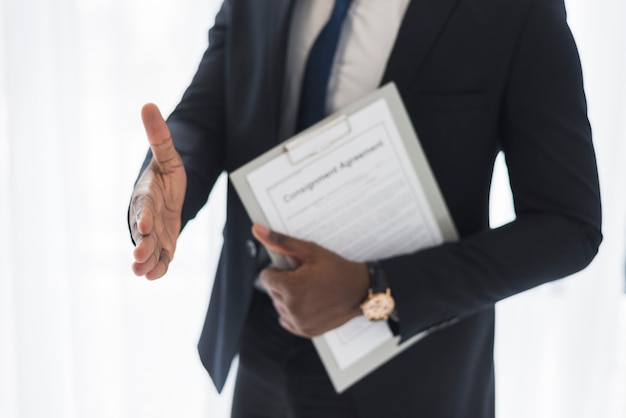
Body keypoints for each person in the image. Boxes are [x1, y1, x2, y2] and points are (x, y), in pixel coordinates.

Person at [128, 0, 602, 417]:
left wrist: (376, 289)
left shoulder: (517, 8)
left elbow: (568, 226)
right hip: (260, 343)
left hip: (412, 375)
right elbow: (209, 113)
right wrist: (163, 187)